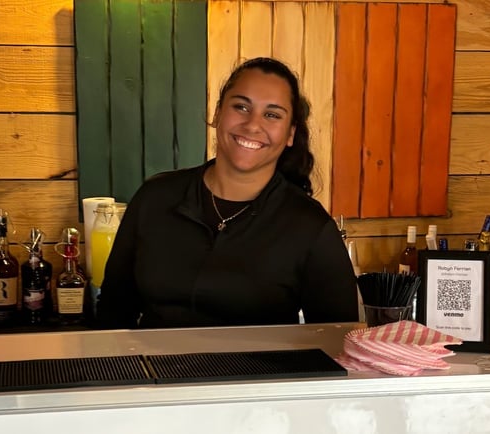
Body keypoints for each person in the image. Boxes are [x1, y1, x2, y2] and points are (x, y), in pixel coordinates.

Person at [95, 57, 358, 329]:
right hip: (151, 370)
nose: (253, 125)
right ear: (218, 113)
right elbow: (113, 309)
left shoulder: (311, 227)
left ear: (290, 134)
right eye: (241, 107)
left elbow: (338, 339)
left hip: (264, 372)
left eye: (272, 114)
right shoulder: (155, 198)